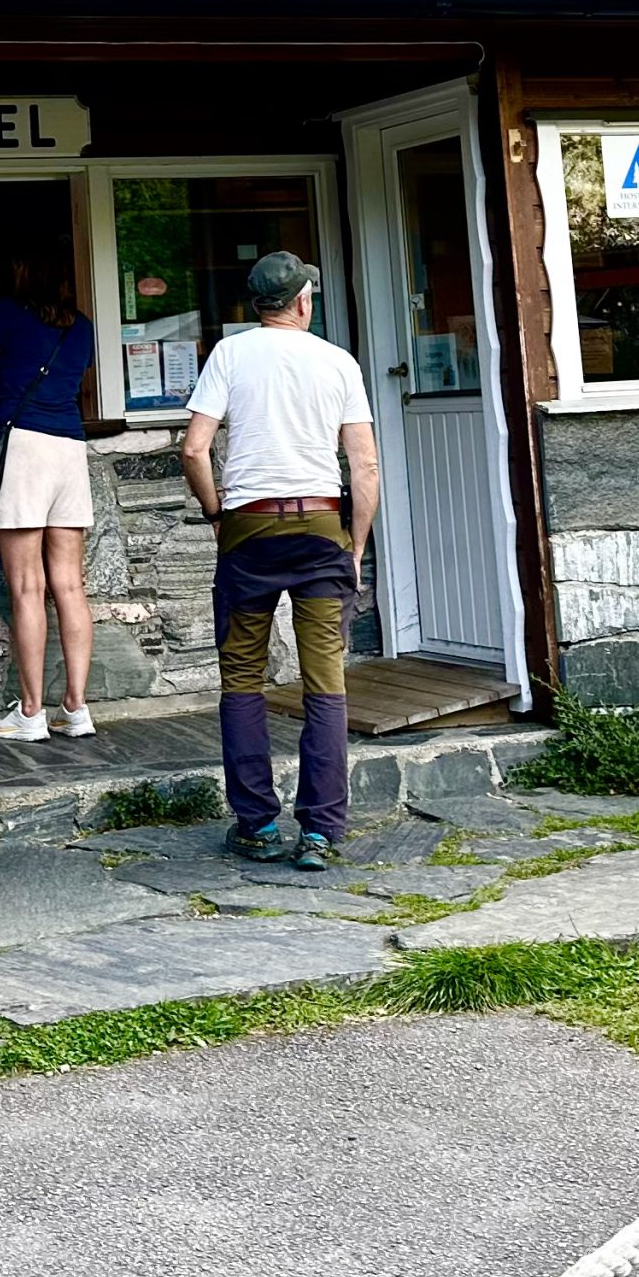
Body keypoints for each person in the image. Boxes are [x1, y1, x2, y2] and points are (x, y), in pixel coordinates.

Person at [178, 250, 383, 873]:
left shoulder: (230, 354)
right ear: (303, 301)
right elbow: (365, 466)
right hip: (321, 526)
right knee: (326, 681)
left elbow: (194, 450)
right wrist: (357, 544)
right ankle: (319, 833)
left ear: (257, 304)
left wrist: (217, 517)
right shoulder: (337, 362)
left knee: (242, 675)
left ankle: (257, 824)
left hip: (248, 529)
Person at [0, 261, 98, 744]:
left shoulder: (7, 314)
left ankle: (31, 713)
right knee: (70, 587)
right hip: (70, 449)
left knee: (28, 587)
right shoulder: (83, 326)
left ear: (19, 273)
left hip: (25, 449)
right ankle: (76, 708)